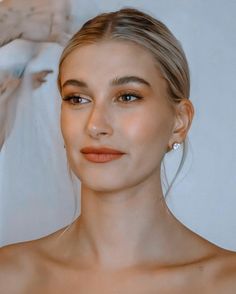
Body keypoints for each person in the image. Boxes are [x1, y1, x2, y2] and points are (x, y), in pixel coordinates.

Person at [0, 7, 236, 293]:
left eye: (127, 96)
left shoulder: (226, 282)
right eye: (77, 99)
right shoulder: (10, 276)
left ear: (179, 122)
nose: (96, 125)